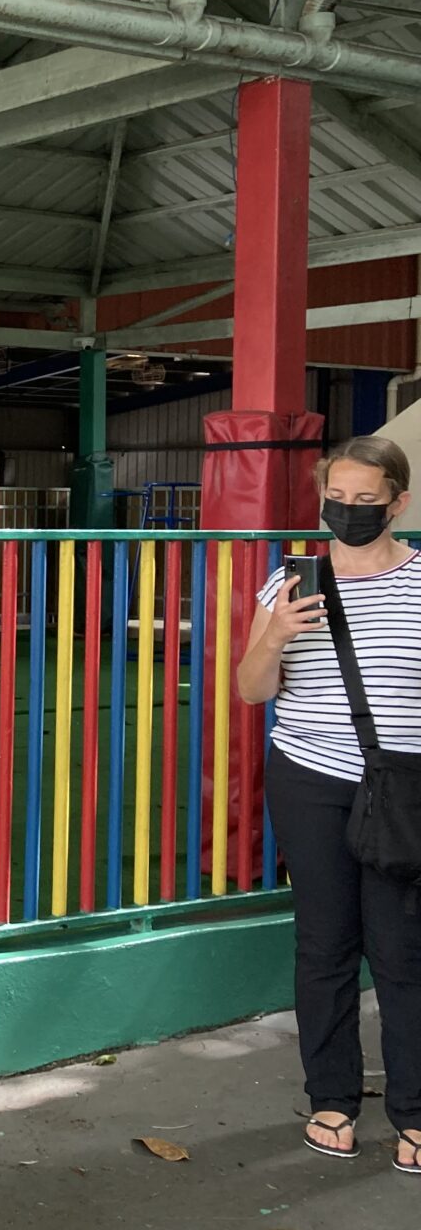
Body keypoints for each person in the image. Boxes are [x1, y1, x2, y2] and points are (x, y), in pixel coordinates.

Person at [240, 434, 421, 1176]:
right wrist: (277, 633)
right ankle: (333, 1098)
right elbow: (252, 689)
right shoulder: (291, 582)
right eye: (335, 501)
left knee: (403, 952)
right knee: (324, 944)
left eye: (365, 502)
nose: (346, 513)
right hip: (310, 779)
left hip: (404, 787)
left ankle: (412, 1111)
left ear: (398, 503)